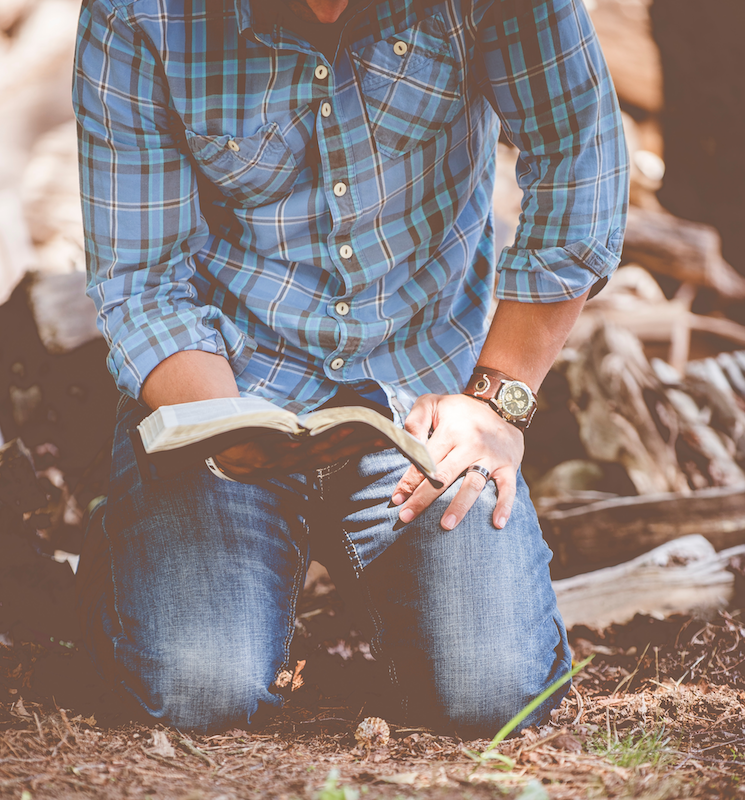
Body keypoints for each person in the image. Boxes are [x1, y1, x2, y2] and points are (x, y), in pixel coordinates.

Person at [73, 0, 628, 735]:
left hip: (426, 397)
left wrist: (495, 402)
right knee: (200, 692)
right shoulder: (136, 12)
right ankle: (127, 551)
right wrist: (220, 422)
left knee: (495, 696)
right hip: (227, 385)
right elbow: (143, 280)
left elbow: (579, 166)